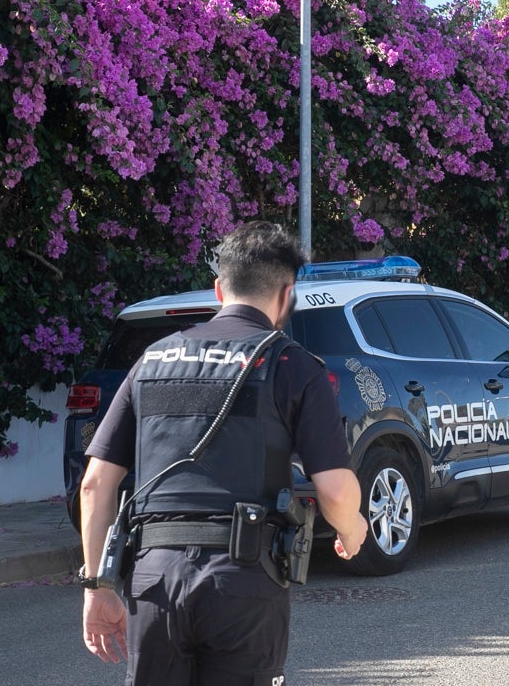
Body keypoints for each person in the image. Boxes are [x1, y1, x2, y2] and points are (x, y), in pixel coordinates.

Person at [77, 221, 370, 685]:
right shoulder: (293, 365)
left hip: (153, 578)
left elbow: (95, 484)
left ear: (219, 289)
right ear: (286, 295)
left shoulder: (152, 359)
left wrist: (96, 586)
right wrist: (352, 531)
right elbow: (334, 490)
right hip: (244, 581)